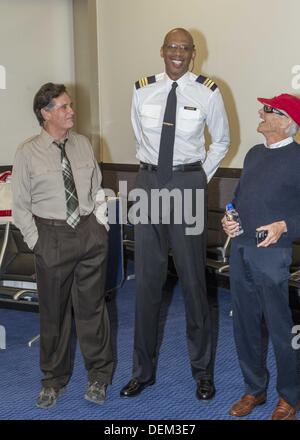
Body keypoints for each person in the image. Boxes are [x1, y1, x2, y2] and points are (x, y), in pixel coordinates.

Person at [120, 28, 230, 400]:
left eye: (185, 48)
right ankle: (142, 372)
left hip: (187, 185)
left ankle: (202, 373)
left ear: (194, 53)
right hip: (149, 184)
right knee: (147, 283)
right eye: (172, 46)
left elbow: (222, 141)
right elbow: (140, 138)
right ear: (162, 50)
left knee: (193, 284)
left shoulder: (208, 92)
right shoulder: (142, 89)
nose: (177, 53)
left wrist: (199, 179)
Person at [12, 83, 114, 408]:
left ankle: (99, 376)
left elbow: (97, 186)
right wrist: (37, 243)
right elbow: (20, 207)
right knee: (53, 314)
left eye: (70, 105)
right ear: (45, 113)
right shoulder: (27, 152)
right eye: (64, 107)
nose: (71, 111)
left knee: (92, 310)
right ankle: (53, 381)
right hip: (51, 236)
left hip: (88, 233)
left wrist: (99, 223)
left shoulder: (84, 144)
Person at [222, 93, 300, 420]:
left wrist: (284, 226)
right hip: (241, 252)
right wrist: (229, 218)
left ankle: (289, 397)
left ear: (286, 122)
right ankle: (254, 389)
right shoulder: (254, 154)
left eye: (268, 110)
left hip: (273, 257)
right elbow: (237, 200)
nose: (260, 112)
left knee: (281, 330)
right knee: (244, 325)